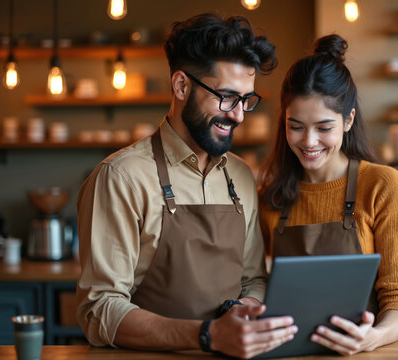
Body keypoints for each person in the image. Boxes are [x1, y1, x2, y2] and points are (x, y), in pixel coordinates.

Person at [76, 14, 297, 359]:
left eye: (245, 100)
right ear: (181, 86)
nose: (238, 115)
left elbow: (254, 279)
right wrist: (207, 334)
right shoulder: (121, 177)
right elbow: (99, 309)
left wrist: (246, 309)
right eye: (226, 97)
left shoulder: (240, 176)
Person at [258, 34, 398, 355]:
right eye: (296, 126)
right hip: (290, 352)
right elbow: (259, 285)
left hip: (363, 351)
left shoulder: (382, 185)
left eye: (324, 127)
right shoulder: (270, 197)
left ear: (348, 120)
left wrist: (374, 336)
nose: (309, 141)